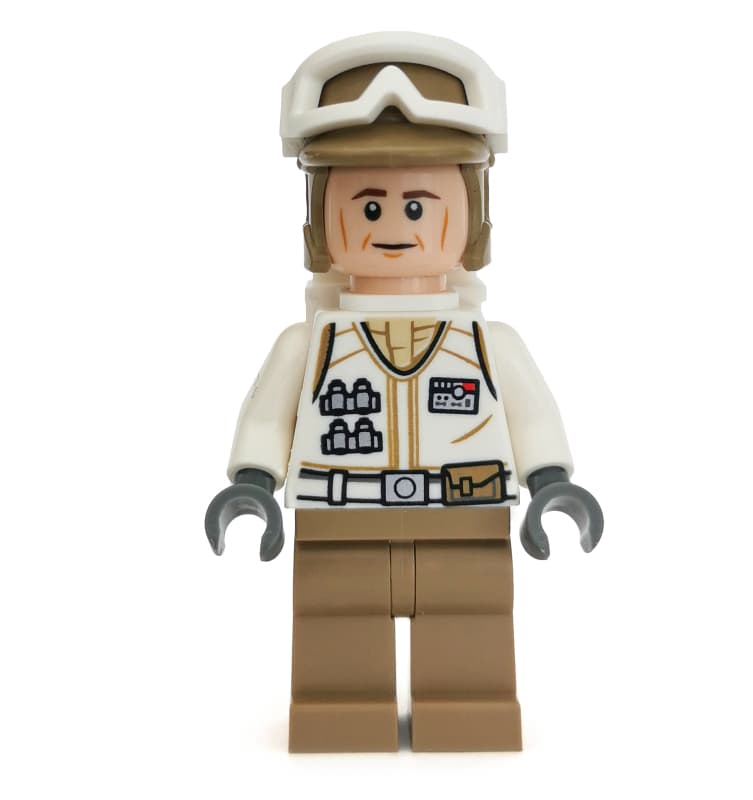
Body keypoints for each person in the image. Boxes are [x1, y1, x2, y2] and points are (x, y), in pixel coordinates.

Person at [205, 31, 603, 753]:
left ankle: (468, 707)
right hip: (337, 519)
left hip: (467, 516)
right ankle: (339, 711)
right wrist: (253, 484)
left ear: (472, 216)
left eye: (418, 207)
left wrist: (551, 481)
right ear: (320, 220)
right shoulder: (309, 343)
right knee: (335, 631)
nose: (393, 226)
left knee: (471, 629)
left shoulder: (489, 342)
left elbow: (531, 415)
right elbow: (268, 418)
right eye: (368, 207)